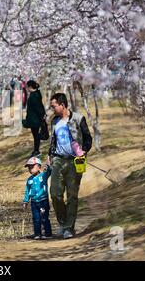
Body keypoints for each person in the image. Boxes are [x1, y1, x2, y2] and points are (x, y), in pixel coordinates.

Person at [47, 93, 92, 239]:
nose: (52, 109)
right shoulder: (55, 121)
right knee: (55, 193)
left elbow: (87, 138)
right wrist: (50, 154)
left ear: (62, 105)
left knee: (72, 195)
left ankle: (68, 228)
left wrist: (83, 151)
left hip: (74, 161)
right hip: (58, 160)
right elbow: (53, 140)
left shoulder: (78, 119)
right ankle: (63, 223)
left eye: (54, 106)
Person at [23, 156, 52, 240]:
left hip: (43, 201)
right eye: (29, 168)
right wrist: (25, 201)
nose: (30, 169)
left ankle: (48, 233)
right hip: (34, 202)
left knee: (44, 217)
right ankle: (37, 233)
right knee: (36, 218)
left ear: (39, 166)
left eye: (32, 167)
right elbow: (27, 191)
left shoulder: (43, 175)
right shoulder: (29, 180)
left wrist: (49, 165)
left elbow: (49, 171)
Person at [25, 80, 47, 158]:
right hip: (34, 118)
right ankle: (36, 150)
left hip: (35, 119)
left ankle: (36, 150)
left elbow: (38, 108)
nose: (26, 88)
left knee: (36, 135)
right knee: (36, 135)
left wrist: (42, 116)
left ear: (30, 87)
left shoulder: (34, 96)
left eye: (27, 86)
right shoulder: (36, 93)